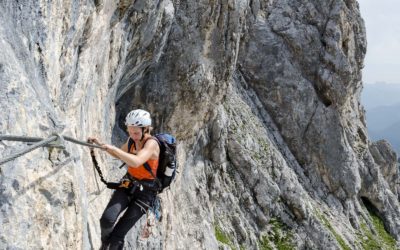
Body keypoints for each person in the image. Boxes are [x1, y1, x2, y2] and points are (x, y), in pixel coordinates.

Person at [88, 109, 160, 250]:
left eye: (136, 132)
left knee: (118, 236)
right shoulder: (132, 140)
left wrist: (114, 148)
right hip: (128, 183)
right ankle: (106, 244)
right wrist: (100, 145)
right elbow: (118, 154)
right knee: (107, 220)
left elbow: (136, 161)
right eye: (130, 131)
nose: (133, 135)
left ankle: (111, 246)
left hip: (146, 193)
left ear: (145, 129)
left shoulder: (152, 144)